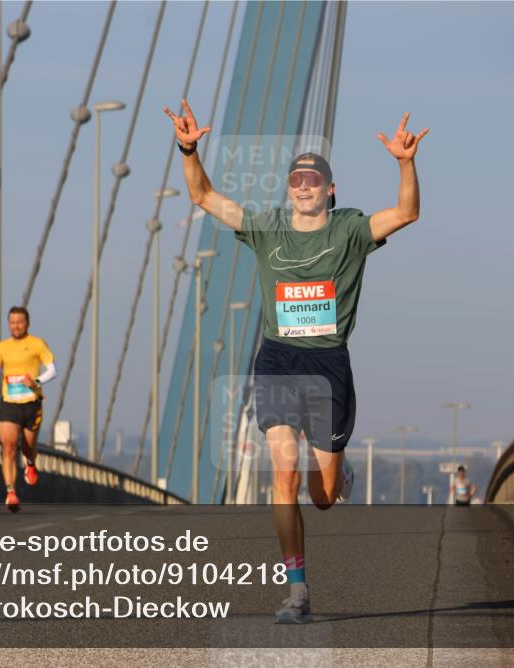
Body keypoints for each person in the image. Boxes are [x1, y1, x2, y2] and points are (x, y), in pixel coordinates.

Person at [164, 99, 427, 623]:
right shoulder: (266, 229)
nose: (303, 186)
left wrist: (404, 163)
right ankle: (298, 592)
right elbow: (202, 195)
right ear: (289, 190)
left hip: (329, 366)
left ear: (330, 189)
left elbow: (406, 213)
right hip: (279, 360)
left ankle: (336, 468)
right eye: (296, 180)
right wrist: (188, 149)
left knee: (323, 496)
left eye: (314, 179)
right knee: (282, 476)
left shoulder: (350, 230)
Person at [0, 307, 57, 512]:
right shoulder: (3, 346)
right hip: (9, 403)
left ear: (27, 323)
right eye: (12, 322)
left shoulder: (37, 344)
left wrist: (35, 381)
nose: (15, 326)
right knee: (8, 447)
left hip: (31, 403)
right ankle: (11, 492)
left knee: (27, 447)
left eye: (20, 322)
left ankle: (30, 462)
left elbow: (53, 370)